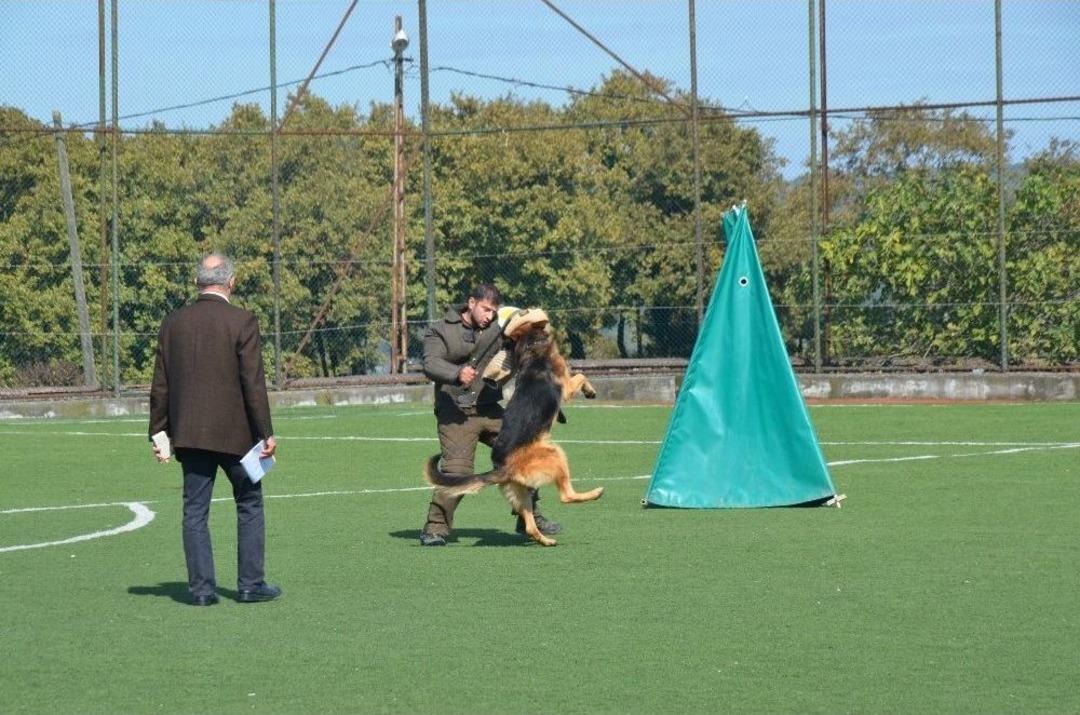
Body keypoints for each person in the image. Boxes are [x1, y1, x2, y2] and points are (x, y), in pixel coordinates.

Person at [148, 253, 281, 606]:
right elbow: (253, 384)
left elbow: (160, 384)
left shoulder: (173, 323)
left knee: (195, 511)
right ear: (231, 282)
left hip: (189, 435)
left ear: (196, 283)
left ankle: (202, 591)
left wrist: (158, 432)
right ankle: (251, 584)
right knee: (250, 504)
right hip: (237, 436)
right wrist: (266, 432)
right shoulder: (242, 321)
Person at [418, 283, 560, 546]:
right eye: (485, 309)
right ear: (471, 303)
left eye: (494, 311)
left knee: (524, 455)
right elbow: (430, 363)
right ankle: (435, 527)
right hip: (455, 412)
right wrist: (455, 373)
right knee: (457, 469)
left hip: (489, 408)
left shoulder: (498, 330)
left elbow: (523, 343)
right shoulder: (440, 330)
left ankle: (528, 518)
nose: (489, 316)